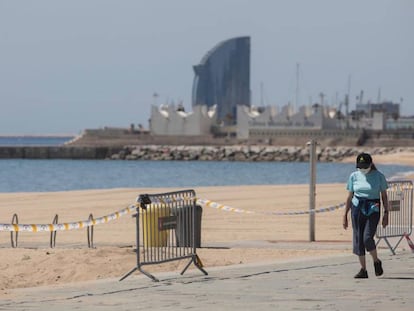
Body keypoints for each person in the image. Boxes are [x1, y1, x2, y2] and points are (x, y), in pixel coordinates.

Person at [343, 152, 389, 278]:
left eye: (365, 166)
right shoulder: (354, 176)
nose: (362, 169)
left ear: (370, 164)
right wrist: (345, 215)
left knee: (367, 237)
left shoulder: (379, 176)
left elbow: (384, 196)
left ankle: (376, 261)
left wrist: (386, 214)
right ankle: (363, 270)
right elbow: (349, 196)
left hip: (373, 208)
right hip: (357, 208)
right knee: (358, 239)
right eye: (360, 166)